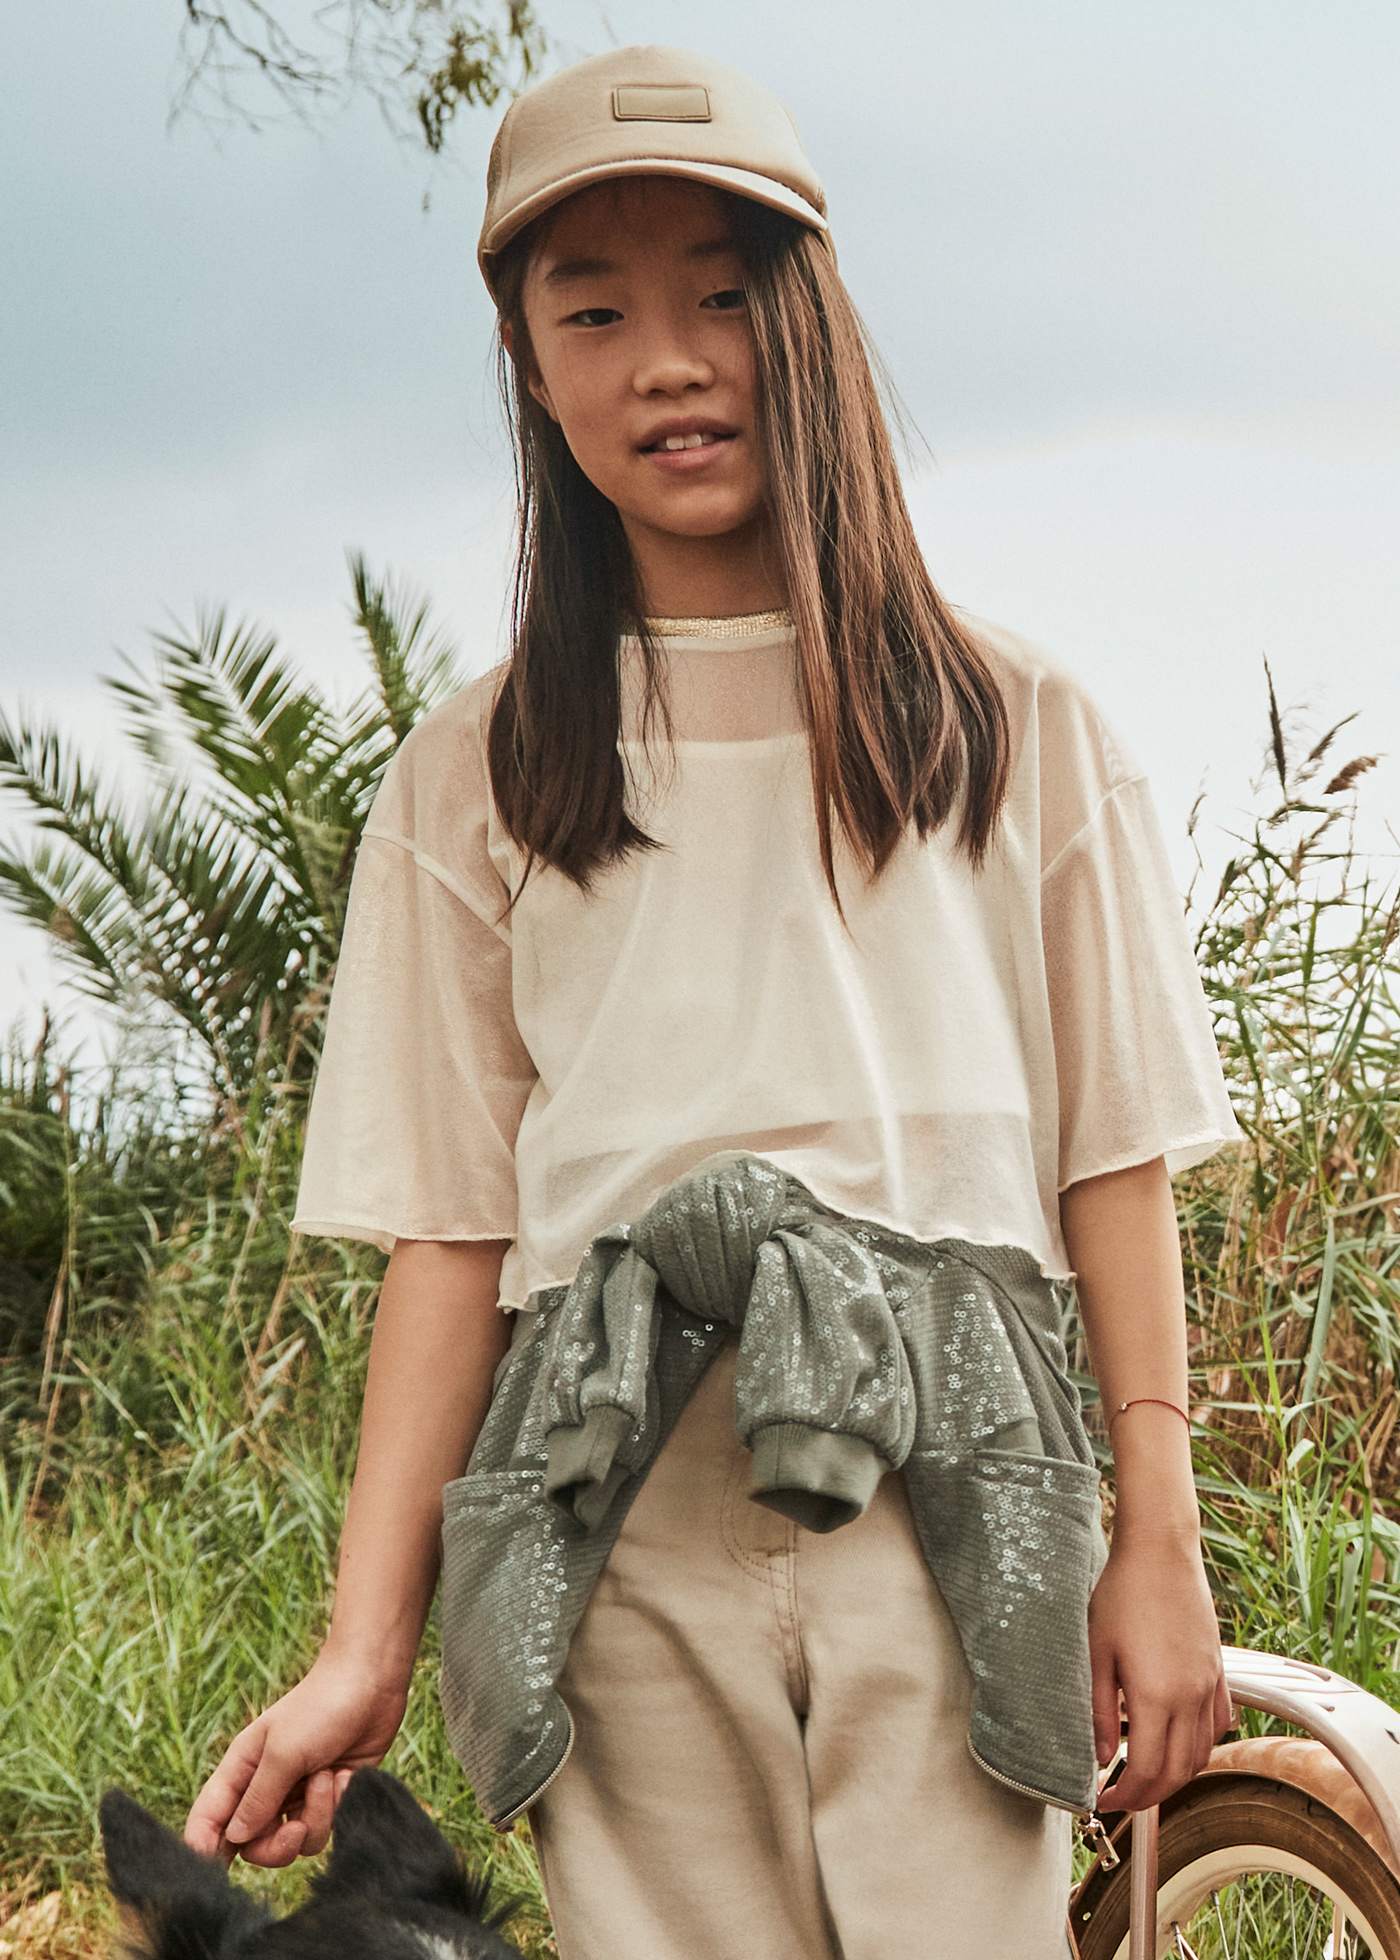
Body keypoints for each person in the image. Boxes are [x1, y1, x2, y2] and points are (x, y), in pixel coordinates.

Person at [183, 41, 1244, 1958]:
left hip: (951, 1495)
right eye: (594, 311)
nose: (666, 359)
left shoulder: (1019, 727)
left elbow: (1116, 1163)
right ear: (529, 363)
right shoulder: (476, 775)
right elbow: (452, 1231)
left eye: (724, 297)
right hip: (611, 1512)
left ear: (813, 321)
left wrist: (1155, 1548)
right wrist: (366, 1646)